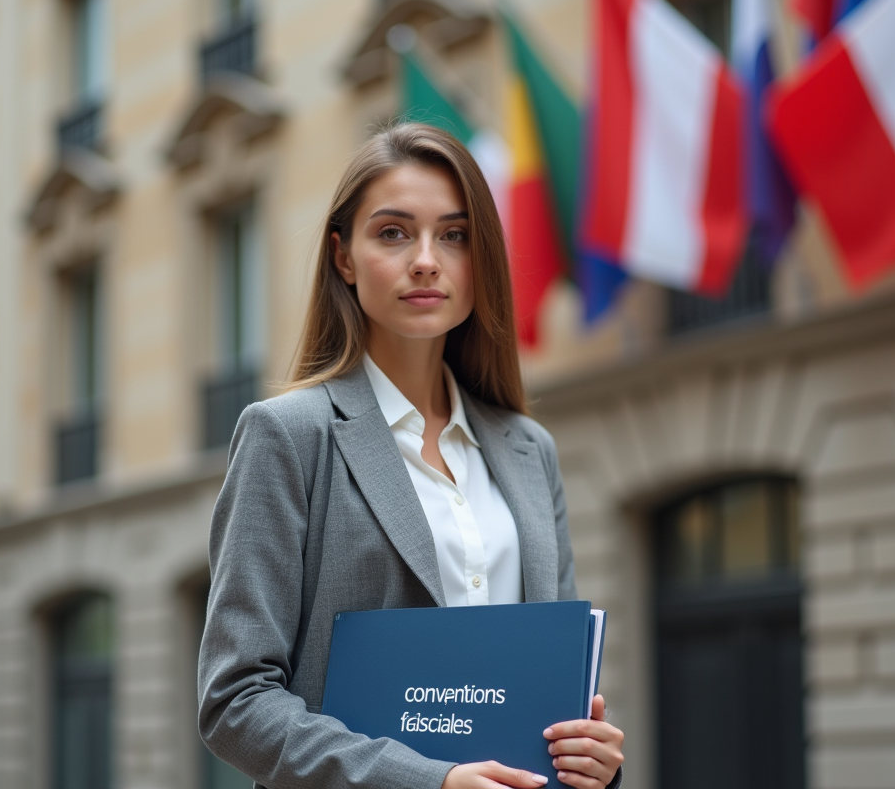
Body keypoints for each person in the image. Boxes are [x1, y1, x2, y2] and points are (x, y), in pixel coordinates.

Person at [198, 122, 624, 789]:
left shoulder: (529, 450)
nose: (426, 260)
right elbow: (235, 702)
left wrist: (591, 760)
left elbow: (560, 684)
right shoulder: (288, 437)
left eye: (454, 236)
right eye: (394, 233)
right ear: (343, 257)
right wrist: (431, 782)